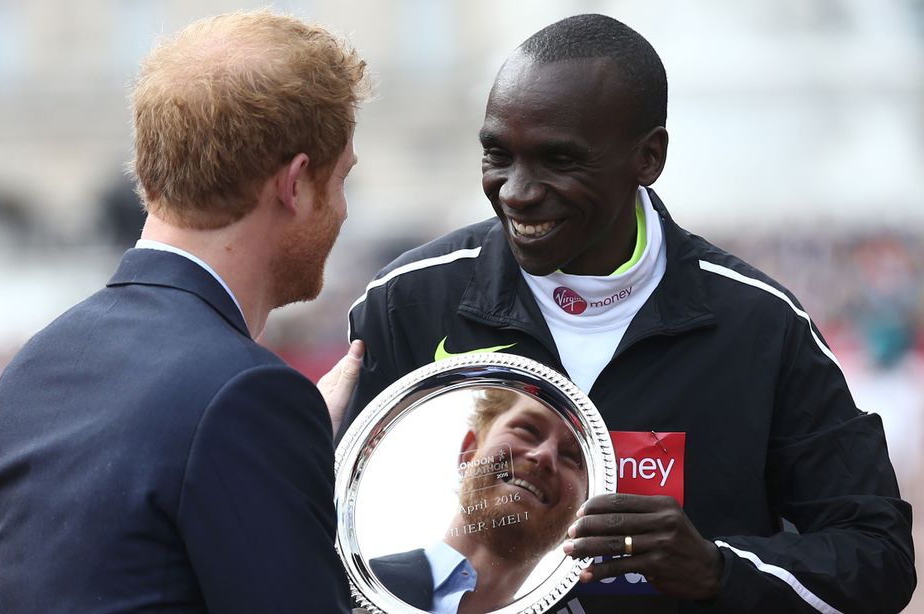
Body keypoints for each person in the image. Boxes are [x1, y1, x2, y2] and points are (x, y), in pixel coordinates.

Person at [340, 13, 916, 614]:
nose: (516, 190)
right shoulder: (407, 301)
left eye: (559, 160)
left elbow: (878, 557)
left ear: (649, 157)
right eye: (497, 154)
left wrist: (716, 568)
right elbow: (324, 536)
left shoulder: (760, 326)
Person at [0, 10, 369, 613]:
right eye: (341, 179)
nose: (343, 209)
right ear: (295, 185)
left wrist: (283, 444)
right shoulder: (244, 396)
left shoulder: (38, 363)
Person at [370, 389, 588, 613]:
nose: (544, 456)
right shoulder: (345, 584)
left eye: (571, 456)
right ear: (470, 451)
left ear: (583, 510)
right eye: (528, 430)